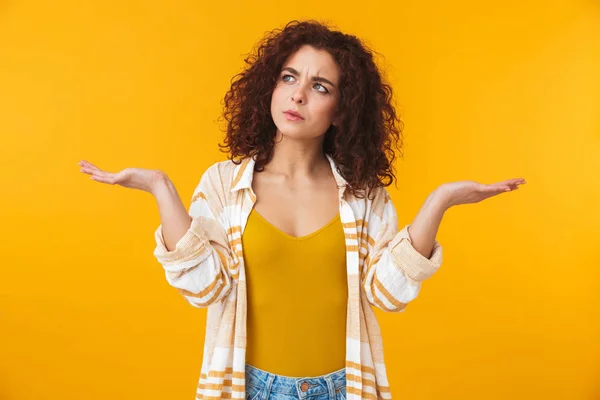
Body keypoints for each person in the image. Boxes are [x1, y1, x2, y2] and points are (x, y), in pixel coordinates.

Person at [79, 19, 525, 400]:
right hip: (247, 386)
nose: (297, 96)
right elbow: (204, 289)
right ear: (269, 87)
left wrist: (439, 201)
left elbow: (387, 296)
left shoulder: (363, 195)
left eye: (320, 86)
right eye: (289, 78)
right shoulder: (223, 185)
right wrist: (160, 188)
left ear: (340, 110)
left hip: (343, 386)